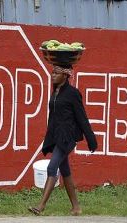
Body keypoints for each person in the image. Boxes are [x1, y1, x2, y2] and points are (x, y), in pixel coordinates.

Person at [28, 64, 97, 216]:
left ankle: (41, 206)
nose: (53, 75)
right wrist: (49, 136)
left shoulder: (73, 93)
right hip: (56, 136)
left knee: (52, 167)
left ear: (65, 76)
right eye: (52, 72)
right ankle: (76, 207)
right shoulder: (55, 92)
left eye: (56, 73)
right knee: (65, 171)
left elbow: (82, 118)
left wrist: (91, 138)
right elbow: (53, 117)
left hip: (67, 137)